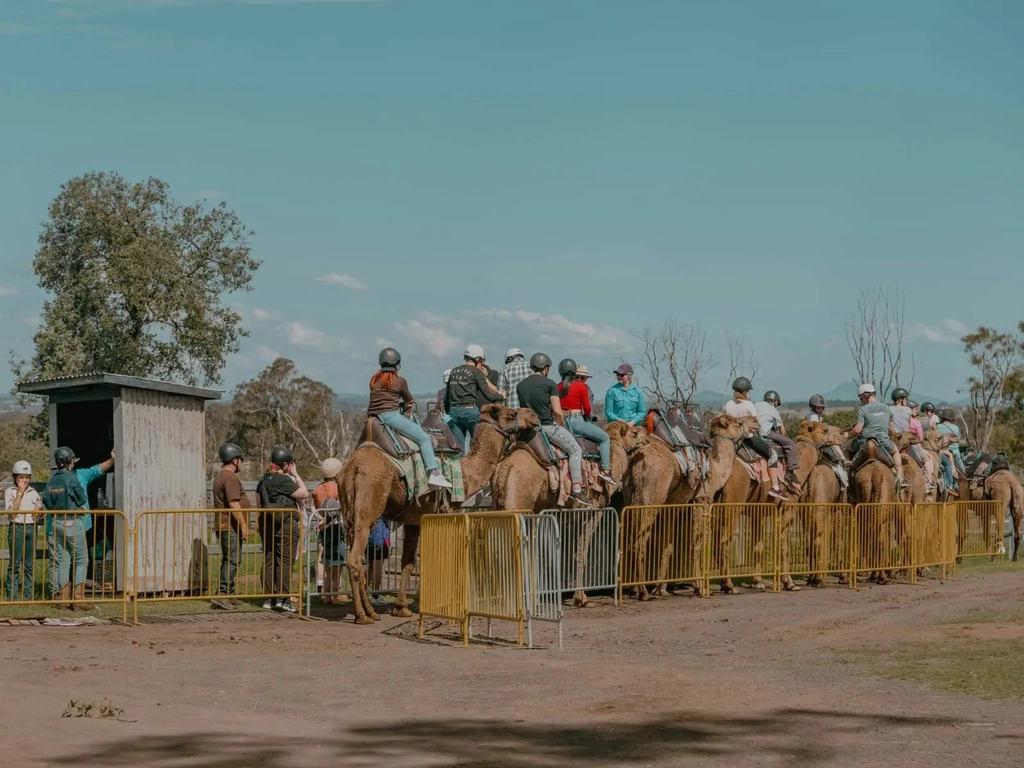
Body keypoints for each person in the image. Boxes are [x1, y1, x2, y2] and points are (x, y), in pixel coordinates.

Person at [370, 348, 452, 489]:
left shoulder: (373, 380)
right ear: (397, 363)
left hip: (373, 418)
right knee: (424, 439)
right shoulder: (400, 381)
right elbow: (409, 400)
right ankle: (433, 472)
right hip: (391, 416)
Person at [518, 353, 588, 505]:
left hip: (527, 429)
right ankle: (576, 489)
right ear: (546, 368)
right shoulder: (550, 384)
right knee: (576, 450)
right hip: (547, 428)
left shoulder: (521, 385)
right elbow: (557, 411)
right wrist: (561, 422)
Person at [256, 446, 309, 613]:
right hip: (285, 523)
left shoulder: (263, 480)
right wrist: (296, 475)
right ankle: (283, 599)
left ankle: (268, 598)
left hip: (267, 523)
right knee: (285, 561)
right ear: (285, 464)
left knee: (270, 559)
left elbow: (258, 503)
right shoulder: (283, 480)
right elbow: (304, 494)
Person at [42, 447, 89, 609]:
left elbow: (47, 502)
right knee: (81, 560)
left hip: (56, 522)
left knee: (63, 561)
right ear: (70, 461)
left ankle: (62, 598)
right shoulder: (71, 478)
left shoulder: (51, 480)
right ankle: (78, 598)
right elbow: (81, 497)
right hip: (72, 521)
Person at [557, 359, 616, 485]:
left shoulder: (557, 387)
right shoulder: (581, 386)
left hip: (561, 422)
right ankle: (605, 470)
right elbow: (588, 409)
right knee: (605, 438)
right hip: (576, 420)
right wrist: (588, 417)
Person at [725, 378, 785, 500]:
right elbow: (755, 423)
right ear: (746, 392)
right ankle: (775, 487)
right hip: (747, 438)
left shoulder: (728, 405)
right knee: (772, 454)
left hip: (730, 439)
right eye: (748, 391)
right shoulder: (748, 405)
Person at [445, 344, 504, 454]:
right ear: (478, 359)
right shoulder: (476, 372)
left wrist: (448, 415)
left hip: (453, 412)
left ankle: (461, 470)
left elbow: (446, 397)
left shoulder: (454, 371)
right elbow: (488, 395)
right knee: (480, 445)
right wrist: (501, 396)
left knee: (459, 449)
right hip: (470, 410)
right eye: (481, 362)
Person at [211, 443, 249, 609]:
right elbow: (234, 504)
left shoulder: (221, 476)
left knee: (230, 558)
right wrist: (244, 525)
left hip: (225, 525)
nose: (241, 463)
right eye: (240, 459)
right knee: (232, 559)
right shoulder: (230, 477)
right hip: (230, 526)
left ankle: (229, 593)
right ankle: (223, 593)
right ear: (234, 460)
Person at [847, 383, 906, 489]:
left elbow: (857, 430)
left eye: (861, 398)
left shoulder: (863, 410)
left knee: (847, 449)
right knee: (896, 451)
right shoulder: (887, 408)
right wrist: (887, 434)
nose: (861, 401)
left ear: (866, 395)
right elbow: (891, 429)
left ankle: (846, 476)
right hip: (883, 441)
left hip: (863, 442)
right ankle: (900, 477)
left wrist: (847, 436)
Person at [5, 461, 42, 601]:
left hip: (31, 528)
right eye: (21, 477)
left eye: (26, 477)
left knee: (29, 564)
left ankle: (28, 596)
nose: (24, 480)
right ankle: (12, 596)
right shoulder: (10, 492)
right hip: (17, 527)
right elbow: (11, 512)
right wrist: (19, 493)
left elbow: (39, 511)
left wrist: (39, 512)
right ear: (15, 477)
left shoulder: (34, 492)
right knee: (14, 564)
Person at [313, 458, 346, 605]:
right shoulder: (339, 488)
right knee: (337, 565)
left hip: (323, 528)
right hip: (337, 527)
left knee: (326, 564)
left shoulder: (317, 490)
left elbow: (316, 509)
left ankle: (326, 595)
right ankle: (334, 596)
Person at [755, 391, 801, 495]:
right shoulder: (773, 410)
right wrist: (782, 437)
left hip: (754, 433)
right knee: (790, 444)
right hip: (765, 433)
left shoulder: (756, 404)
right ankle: (790, 472)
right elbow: (782, 429)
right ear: (774, 402)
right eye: (776, 403)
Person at [908, 401, 936, 491]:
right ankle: (930, 481)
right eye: (915, 409)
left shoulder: (901, 421)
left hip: (901, 446)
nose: (917, 411)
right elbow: (920, 438)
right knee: (928, 457)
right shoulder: (916, 422)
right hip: (915, 447)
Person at [936, 409, 965, 496]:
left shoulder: (937, 427)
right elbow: (957, 440)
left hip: (941, 451)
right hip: (954, 452)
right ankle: (955, 485)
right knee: (963, 471)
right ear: (951, 419)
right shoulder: (955, 428)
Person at [366, 516, 391, 593]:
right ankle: (375, 595)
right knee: (377, 567)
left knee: (369, 567)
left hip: (368, 537)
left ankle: (362, 592)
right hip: (380, 538)